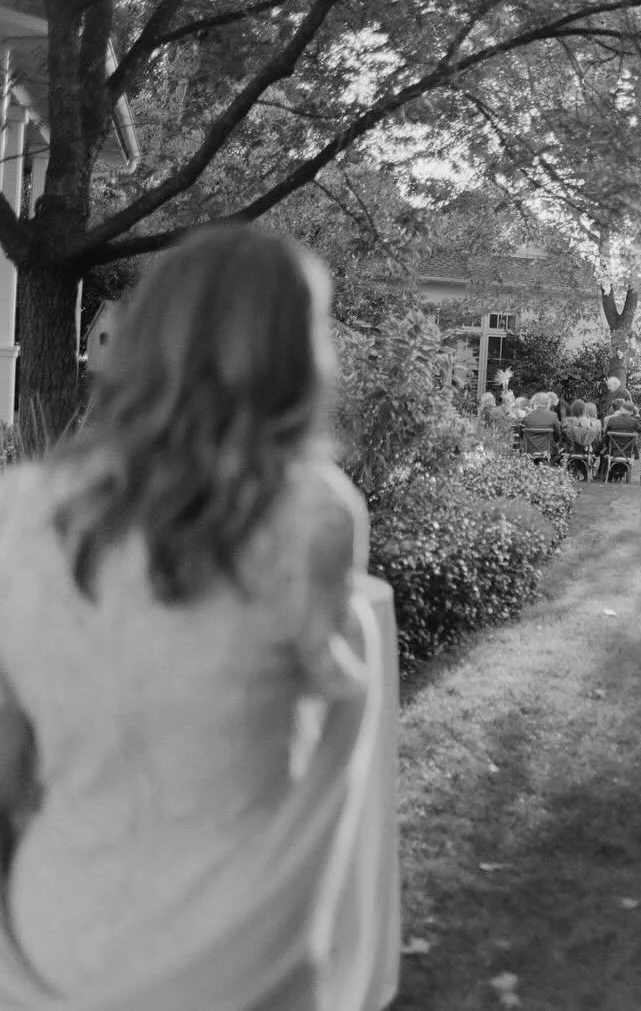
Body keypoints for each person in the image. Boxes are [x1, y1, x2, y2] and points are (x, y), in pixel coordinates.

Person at [0, 224, 375, 1004]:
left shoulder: (20, 509)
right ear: (291, 359)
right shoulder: (309, 519)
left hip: (54, 941)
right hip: (230, 962)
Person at [519, 391, 562, 459]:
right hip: (549, 452)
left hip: (529, 452)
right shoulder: (553, 415)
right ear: (548, 403)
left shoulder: (526, 416)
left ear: (534, 402)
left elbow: (521, 435)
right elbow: (558, 435)